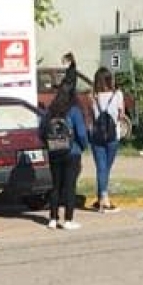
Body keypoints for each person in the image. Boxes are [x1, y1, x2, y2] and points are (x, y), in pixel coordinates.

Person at [39, 86, 89, 229]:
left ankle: (53, 219)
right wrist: (83, 146)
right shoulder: (74, 111)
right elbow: (81, 133)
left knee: (55, 186)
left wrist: (48, 145)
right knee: (69, 187)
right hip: (72, 152)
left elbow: (41, 131)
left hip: (54, 151)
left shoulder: (50, 111)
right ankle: (68, 219)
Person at [89, 67, 124, 213]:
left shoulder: (93, 96)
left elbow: (93, 116)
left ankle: (100, 198)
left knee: (101, 168)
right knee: (106, 168)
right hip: (112, 135)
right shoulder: (118, 95)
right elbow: (121, 115)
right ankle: (105, 200)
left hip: (96, 136)